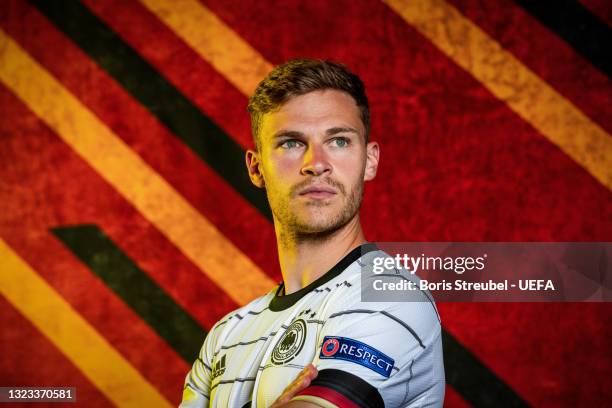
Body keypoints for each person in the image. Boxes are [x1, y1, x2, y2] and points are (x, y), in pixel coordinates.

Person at [180, 58, 445, 407]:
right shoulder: (225, 336)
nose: (316, 163)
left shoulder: (391, 298)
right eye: (291, 143)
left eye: (338, 141)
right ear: (256, 168)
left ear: (370, 160)